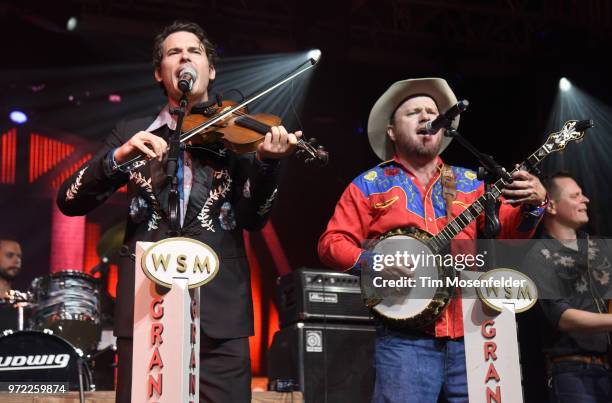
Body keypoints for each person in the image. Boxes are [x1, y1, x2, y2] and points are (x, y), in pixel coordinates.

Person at [57, 20, 301, 403]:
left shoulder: (235, 131)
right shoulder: (133, 131)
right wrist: (116, 158)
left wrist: (268, 165)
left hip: (220, 314)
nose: (184, 56)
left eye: (195, 51)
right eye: (173, 52)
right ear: (160, 73)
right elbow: (69, 201)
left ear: (211, 69)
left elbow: (254, 218)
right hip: (145, 308)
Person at [317, 78, 548, 402]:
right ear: (392, 131)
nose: (426, 117)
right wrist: (376, 262)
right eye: (414, 112)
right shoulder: (369, 184)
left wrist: (536, 205)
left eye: (432, 112)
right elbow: (331, 243)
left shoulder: (472, 182)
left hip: (474, 331)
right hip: (403, 337)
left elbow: (510, 238)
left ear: (445, 129)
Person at [522, 172, 612, 403]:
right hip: (571, 373)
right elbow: (562, 317)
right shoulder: (538, 255)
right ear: (551, 206)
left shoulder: (600, 247)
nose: (586, 200)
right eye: (576, 195)